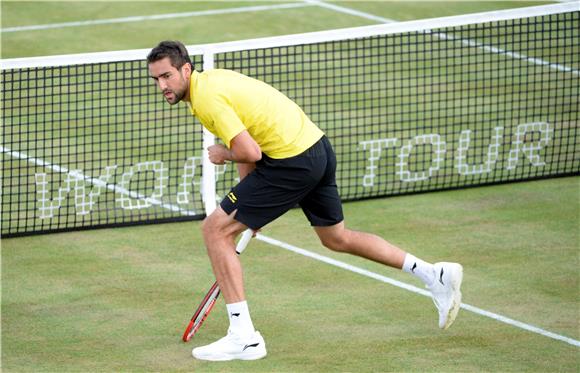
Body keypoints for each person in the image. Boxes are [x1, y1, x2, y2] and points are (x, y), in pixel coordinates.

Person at [147, 40, 463, 362]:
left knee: (214, 230)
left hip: (292, 161)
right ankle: (432, 274)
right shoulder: (212, 82)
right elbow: (249, 142)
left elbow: (247, 151)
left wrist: (223, 156)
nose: (162, 85)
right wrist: (251, 207)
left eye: (167, 76)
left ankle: (244, 338)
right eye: (156, 79)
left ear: (186, 69)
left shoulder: (206, 100)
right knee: (336, 238)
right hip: (316, 147)